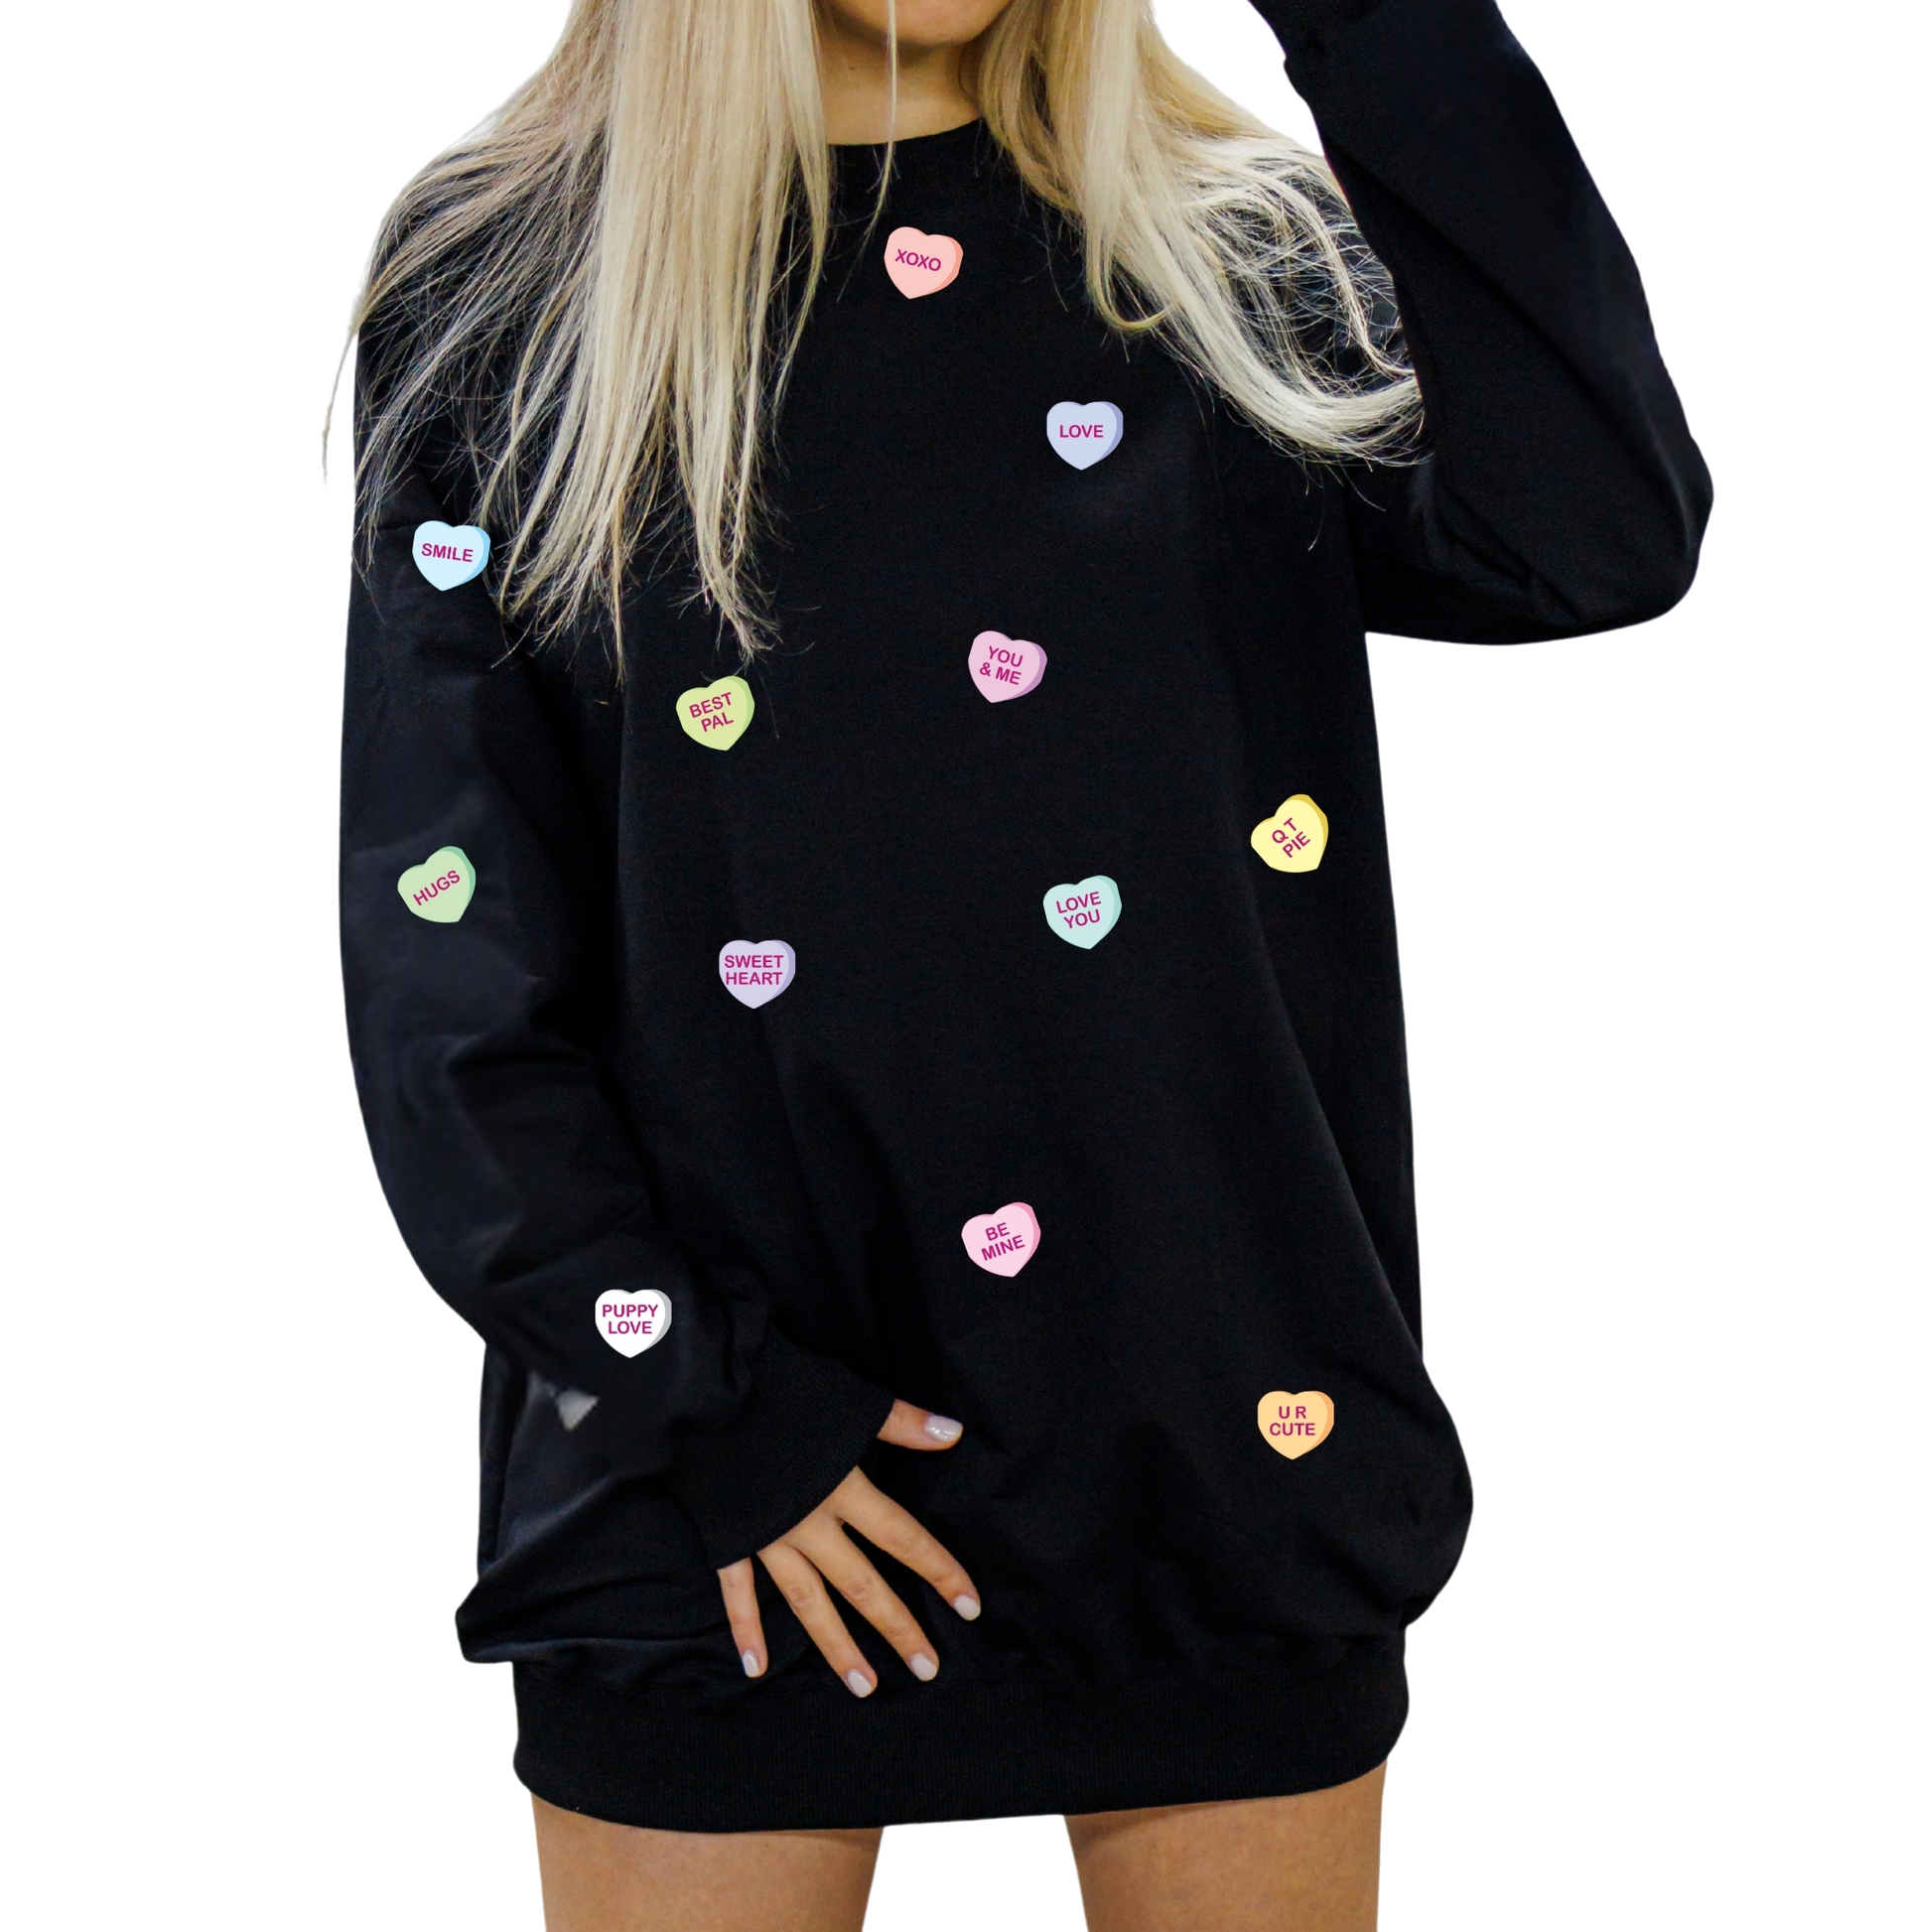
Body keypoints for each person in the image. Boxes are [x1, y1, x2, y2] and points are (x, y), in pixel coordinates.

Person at [329, 0, 1710, 1923]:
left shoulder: (1227, 253)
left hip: (1217, 1454)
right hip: (704, 1490)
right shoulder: (513, 277)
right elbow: (448, 962)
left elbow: (1599, 534)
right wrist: (708, 1405)